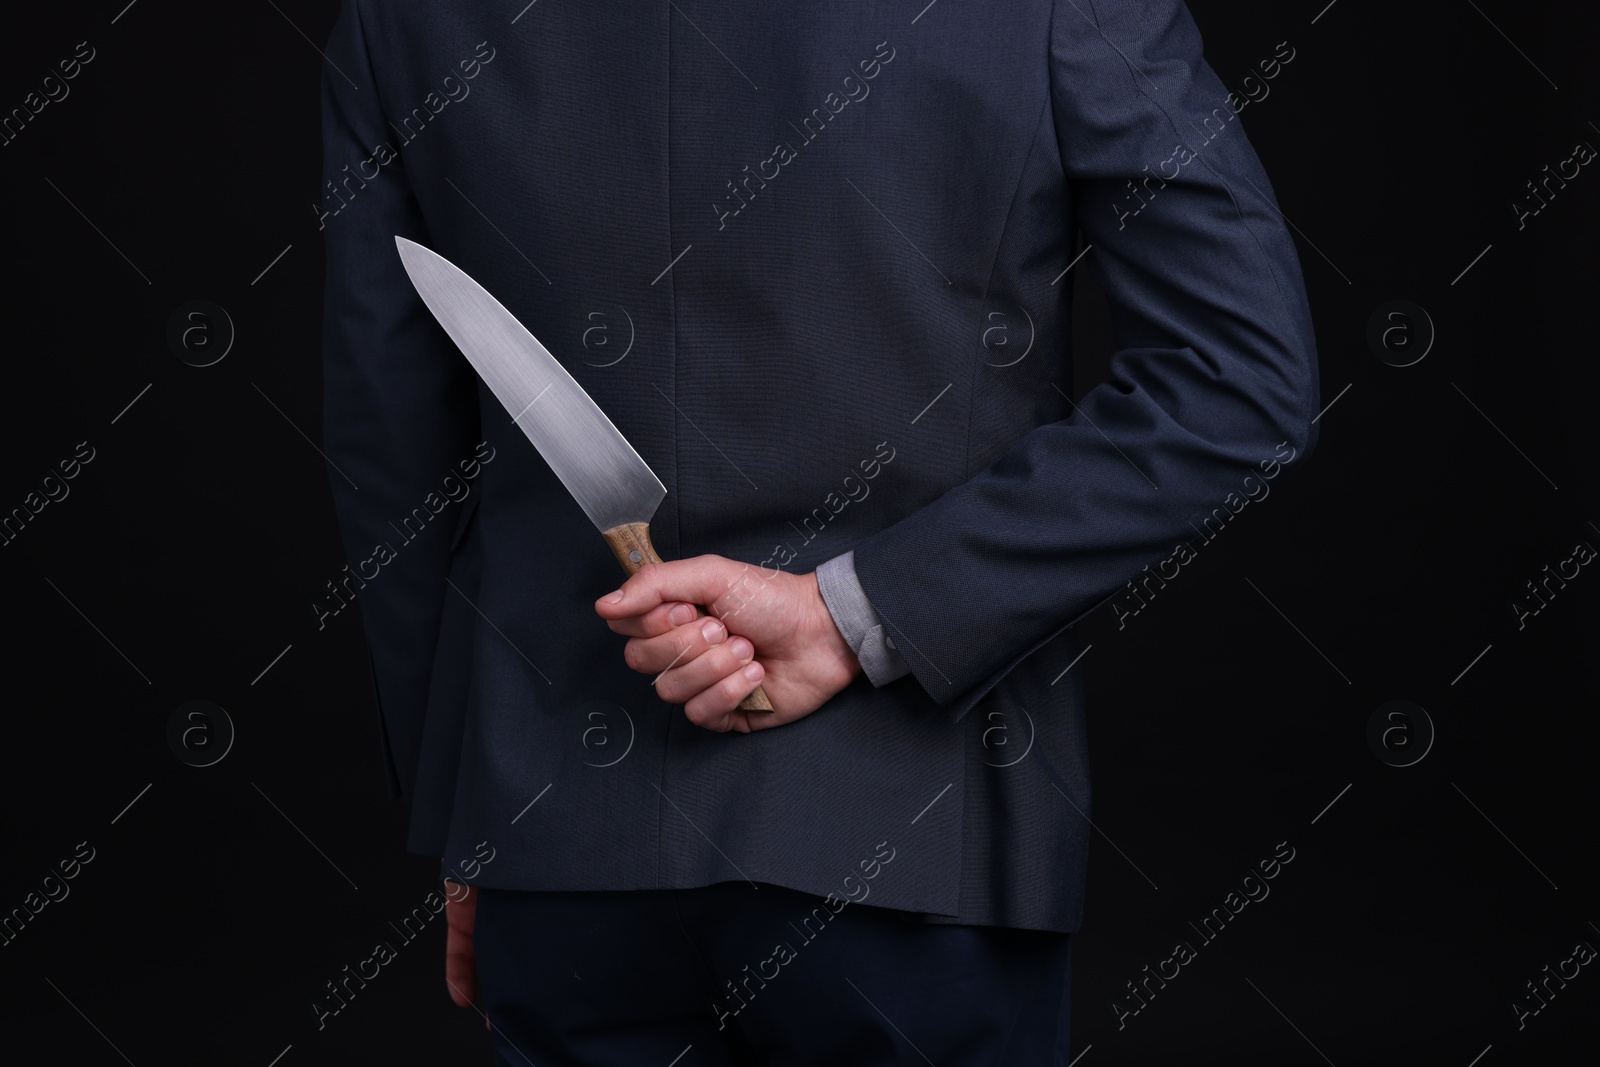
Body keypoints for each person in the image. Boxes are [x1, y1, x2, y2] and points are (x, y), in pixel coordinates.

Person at [319, 1, 1319, 1062]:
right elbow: (1236, 382)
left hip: (560, 834)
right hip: (917, 841)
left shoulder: (400, 19)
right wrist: (859, 612)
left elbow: (394, 462)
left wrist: (464, 821)